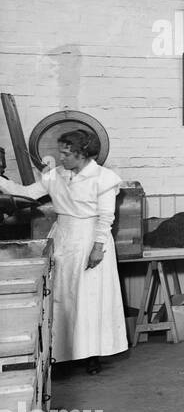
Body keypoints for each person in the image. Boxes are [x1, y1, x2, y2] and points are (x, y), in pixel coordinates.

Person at [0, 129, 127, 373]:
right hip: (62, 236)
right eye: (61, 152)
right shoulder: (56, 175)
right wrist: (2, 182)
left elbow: (106, 217)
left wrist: (98, 248)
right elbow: (27, 192)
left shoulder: (104, 178)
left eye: (66, 153)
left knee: (89, 299)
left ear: (82, 154)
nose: (61, 157)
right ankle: (61, 354)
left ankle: (92, 355)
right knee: (60, 296)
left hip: (90, 239)